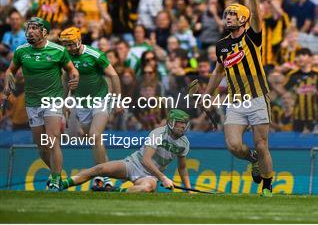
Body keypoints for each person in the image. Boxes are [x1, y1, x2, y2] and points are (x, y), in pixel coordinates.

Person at [203, 0, 274, 197]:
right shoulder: (222, 45)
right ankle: (253, 160)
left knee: (261, 144)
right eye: (227, 15)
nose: (229, 17)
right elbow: (218, 71)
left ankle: (267, 184)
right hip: (235, 101)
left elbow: (258, 15)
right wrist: (207, 94)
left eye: (233, 14)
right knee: (233, 145)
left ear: (243, 18)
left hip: (258, 98)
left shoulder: (252, 37)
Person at [1, 17, 79, 191]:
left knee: (52, 141)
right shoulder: (21, 51)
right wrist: (8, 83)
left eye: (35, 28)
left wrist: (73, 86)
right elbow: (10, 71)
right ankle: (56, 173)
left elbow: (72, 70)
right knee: (41, 148)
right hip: (32, 102)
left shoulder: (58, 50)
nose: (31, 31)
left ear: (44, 32)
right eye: (29, 28)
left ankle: (56, 180)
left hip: (52, 100)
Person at [61, 110, 192, 193]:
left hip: (149, 176)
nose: (182, 126)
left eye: (184, 124)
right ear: (170, 123)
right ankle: (63, 184)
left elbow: (183, 168)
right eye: (179, 123)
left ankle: (115, 191)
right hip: (133, 164)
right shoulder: (158, 133)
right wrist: (163, 178)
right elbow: (146, 160)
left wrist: (189, 191)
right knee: (99, 169)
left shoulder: (184, 143)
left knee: (146, 188)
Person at [58, 27, 122, 189]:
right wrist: (65, 101)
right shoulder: (66, 56)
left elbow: (113, 75)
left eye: (72, 44)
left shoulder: (95, 55)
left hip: (101, 99)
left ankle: (103, 177)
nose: (70, 48)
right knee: (96, 142)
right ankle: (104, 178)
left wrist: (118, 99)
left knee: (94, 136)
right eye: (66, 45)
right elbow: (66, 78)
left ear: (79, 40)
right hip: (82, 103)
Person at [283, 48, 318, 133]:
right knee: (296, 141)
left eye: (303, 55)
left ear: (310, 58)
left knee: (313, 142)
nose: (300, 58)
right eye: (298, 56)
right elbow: (283, 90)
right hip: (297, 115)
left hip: (314, 114)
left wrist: (316, 92)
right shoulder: (292, 74)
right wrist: (292, 94)